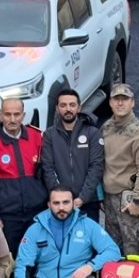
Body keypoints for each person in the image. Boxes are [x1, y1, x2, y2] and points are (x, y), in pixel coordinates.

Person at [0, 98, 48, 278]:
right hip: (8, 216)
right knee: (8, 259)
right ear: (0, 116)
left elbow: (47, 174)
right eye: (7, 114)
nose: (12, 119)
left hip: (37, 212)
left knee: (37, 255)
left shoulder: (37, 137)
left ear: (23, 116)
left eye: (17, 114)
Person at [100, 83, 139, 256]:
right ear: (110, 103)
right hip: (110, 198)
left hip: (130, 199)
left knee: (133, 252)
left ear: (133, 103)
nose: (120, 103)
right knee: (112, 250)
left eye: (125, 99)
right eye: (116, 99)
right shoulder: (106, 128)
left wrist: (137, 201)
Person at [42, 88, 105, 222]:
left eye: (72, 105)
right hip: (60, 205)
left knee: (87, 241)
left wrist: (82, 198)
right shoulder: (49, 135)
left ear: (79, 107)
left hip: (87, 202)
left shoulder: (92, 133)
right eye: (63, 105)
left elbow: (96, 167)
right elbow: (47, 168)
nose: (68, 109)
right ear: (57, 108)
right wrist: (61, 199)